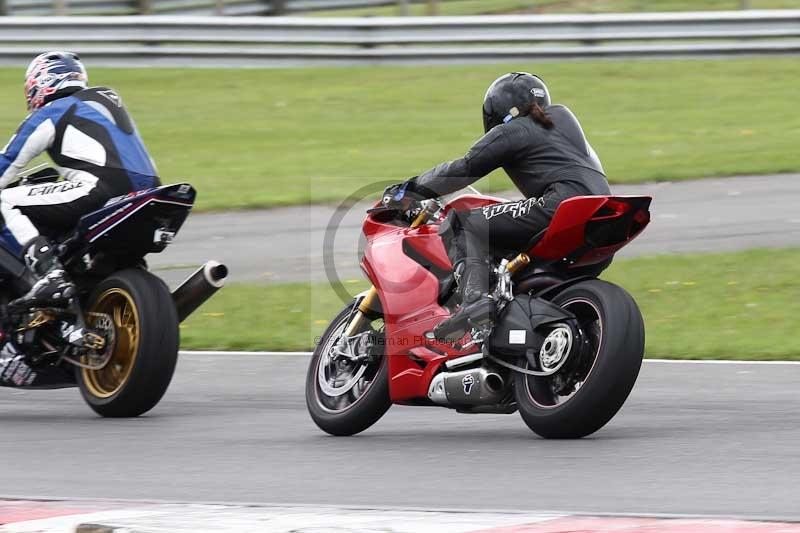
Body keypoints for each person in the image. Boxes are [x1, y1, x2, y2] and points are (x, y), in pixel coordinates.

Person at [384, 72, 611, 339]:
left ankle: (474, 302)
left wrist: (407, 191)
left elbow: (464, 168)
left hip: (561, 205)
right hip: (601, 214)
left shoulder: (515, 129)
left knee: (462, 222)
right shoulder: (563, 121)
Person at [0, 51, 160, 310]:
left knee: (5, 200)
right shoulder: (107, 101)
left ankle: (49, 273)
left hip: (100, 188)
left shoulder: (52, 111)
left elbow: (7, 163)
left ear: (42, 82)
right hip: (149, 189)